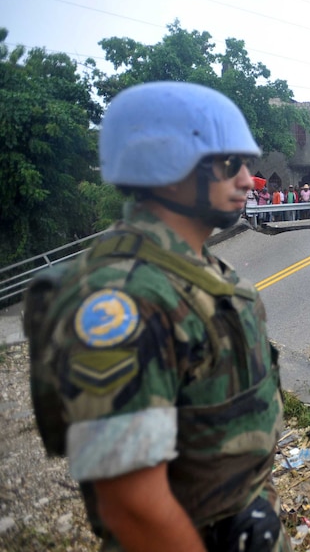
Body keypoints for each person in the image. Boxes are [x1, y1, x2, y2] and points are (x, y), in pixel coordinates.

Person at [23, 81, 289, 551]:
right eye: (231, 165)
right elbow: (131, 504)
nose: (249, 180)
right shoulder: (122, 300)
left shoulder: (196, 269)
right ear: (167, 168)